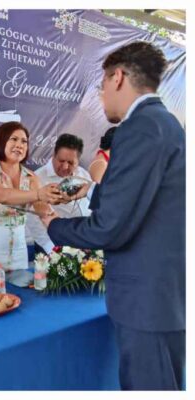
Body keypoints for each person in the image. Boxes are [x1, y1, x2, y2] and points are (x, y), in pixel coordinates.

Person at [42, 42, 184, 390]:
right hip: (163, 296)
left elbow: (110, 227)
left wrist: (54, 225)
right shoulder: (165, 124)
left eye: (101, 85)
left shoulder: (140, 128)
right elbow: (144, 200)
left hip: (147, 302)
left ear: (117, 77)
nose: (101, 96)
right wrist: (92, 191)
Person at [0, 122, 61, 280]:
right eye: (14, 139)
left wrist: (68, 240)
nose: (19, 145)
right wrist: (38, 194)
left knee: (18, 291)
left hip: (19, 251)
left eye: (24, 141)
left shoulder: (31, 177)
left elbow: (44, 211)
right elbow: (3, 196)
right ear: (1, 141)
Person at [25, 133, 92, 253]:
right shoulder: (38, 178)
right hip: (54, 245)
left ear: (78, 160)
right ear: (54, 156)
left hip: (84, 241)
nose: (65, 166)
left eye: (71, 162)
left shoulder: (83, 174)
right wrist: (51, 248)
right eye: (61, 161)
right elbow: (33, 220)